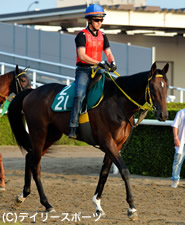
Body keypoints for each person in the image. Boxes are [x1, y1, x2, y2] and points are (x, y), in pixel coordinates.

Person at [68, 4, 117, 139]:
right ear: (89, 20)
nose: (100, 23)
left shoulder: (103, 35)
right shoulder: (81, 35)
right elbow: (82, 56)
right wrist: (99, 63)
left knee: (112, 89)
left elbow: (108, 52)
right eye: (97, 20)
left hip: (99, 70)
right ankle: (73, 126)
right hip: (84, 71)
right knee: (79, 95)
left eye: (101, 20)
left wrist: (112, 62)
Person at [171, 108, 185, 188]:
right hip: (182, 143)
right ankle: (175, 181)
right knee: (177, 162)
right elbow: (175, 126)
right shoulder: (181, 112)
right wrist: (176, 138)